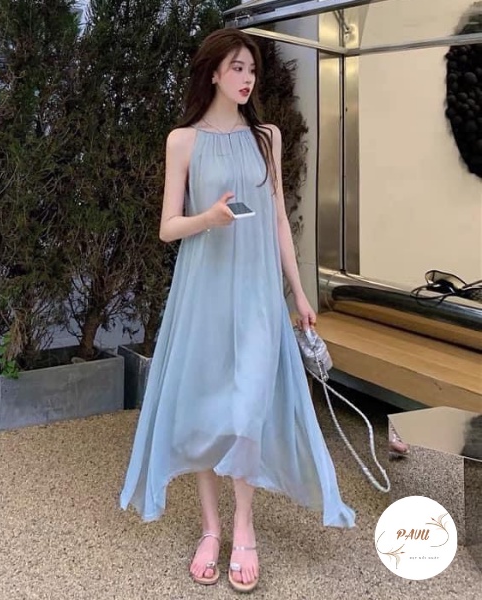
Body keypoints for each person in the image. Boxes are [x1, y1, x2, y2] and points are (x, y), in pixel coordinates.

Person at [119, 28, 355, 593]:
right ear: (213, 74)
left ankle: (244, 528)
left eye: (251, 69)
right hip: (202, 293)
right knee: (205, 410)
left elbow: (278, 222)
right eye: (237, 68)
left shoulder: (267, 138)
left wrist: (300, 293)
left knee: (248, 408)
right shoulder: (183, 140)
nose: (247, 78)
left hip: (256, 295)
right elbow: (168, 227)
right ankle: (211, 529)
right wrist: (209, 218)